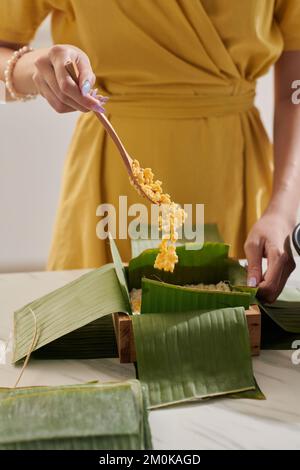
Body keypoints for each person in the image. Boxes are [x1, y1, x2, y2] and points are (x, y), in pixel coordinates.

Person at [0, 0, 299, 303]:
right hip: (106, 182)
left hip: (236, 179)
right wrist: (35, 67)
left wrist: (283, 212)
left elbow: (295, 91)